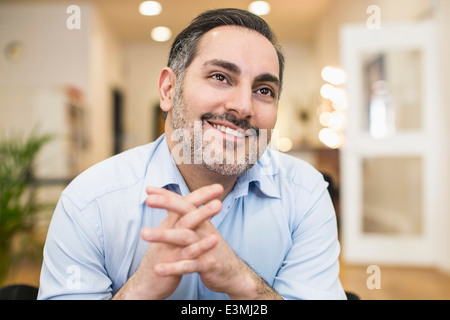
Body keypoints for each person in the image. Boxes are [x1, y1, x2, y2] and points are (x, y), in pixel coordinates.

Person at [38, 8, 346, 300]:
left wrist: (244, 283)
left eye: (264, 90)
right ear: (168, 90)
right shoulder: (89, 203)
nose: (244, 106)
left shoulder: (305, 194)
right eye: (220, 76)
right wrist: (141, 289)